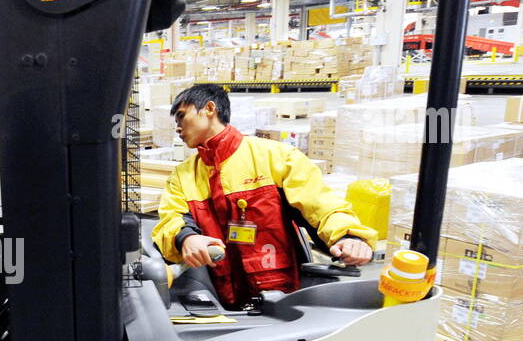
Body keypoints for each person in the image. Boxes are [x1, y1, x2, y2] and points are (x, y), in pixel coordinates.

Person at [152, 83, 375, 309]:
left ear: (209, 109)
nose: (178, 127)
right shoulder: (183, 176)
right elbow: (172, 218)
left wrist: (349, 237)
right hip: (220, 299)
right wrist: (187, 238)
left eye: (181, 116)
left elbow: (321, 205)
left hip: (279, 296)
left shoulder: (276, 158)